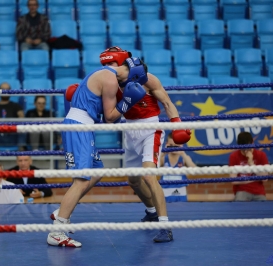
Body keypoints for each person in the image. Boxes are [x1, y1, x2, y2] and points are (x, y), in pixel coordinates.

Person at [89, 46, 191, 242]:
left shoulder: (147, 79)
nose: (108, 67)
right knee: (133, 180)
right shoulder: (108, 83)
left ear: (122, 62)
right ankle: (152, 212)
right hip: (129, 130)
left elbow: (168, 103)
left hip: (150, 128)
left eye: (111, 63)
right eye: (105, 64)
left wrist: (177, 125)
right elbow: (108, 115)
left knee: (149, 176)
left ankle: (165, 226)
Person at [47, 56, 148, 248]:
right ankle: (57, 231)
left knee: (97, 171)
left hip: (83, 125)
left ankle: (62, 211)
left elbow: (104, 113)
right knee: (81, 180)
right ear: (135, 75)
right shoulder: (110, 79)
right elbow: (110, 118)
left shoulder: (104, 73)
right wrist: (127, 101)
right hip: (79, 127)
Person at [0, 82, 27, 151]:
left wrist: (15, 124)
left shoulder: (16, 106)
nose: (5, 91)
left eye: (7, 89)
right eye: (3, 89)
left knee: (23, 128)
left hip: (12, 136)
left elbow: (22, 118)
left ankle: (21, 151)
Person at [229, 132, 268, 201]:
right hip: (242, 191)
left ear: (252, 143)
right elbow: (233, 180)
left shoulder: (261, 155)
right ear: (239, 146)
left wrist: (251, 163)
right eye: (243, 148)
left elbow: (265, 179)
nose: (246, 151)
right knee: (239, 203)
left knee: (264, 208)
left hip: (258, 192)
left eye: (248, 147)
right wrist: (252, 179)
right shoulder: (234, 156)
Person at [160, 133, 196, 202]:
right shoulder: (163, 158)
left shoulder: (184, 158)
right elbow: (152, 169)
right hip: (165, 193)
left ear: (181, 145)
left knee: (181, 212)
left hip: (181, 193)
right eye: (171, 145)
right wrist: (163, 153)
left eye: (176, 145)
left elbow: (195, 170)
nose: (173, 148)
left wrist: (183, 154)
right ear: (167, 144)